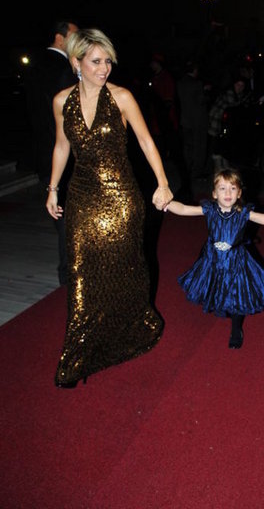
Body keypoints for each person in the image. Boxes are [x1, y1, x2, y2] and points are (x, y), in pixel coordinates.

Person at [46, 28, 173, 388]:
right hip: (82, 197)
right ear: (76, 62)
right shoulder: (61, 101)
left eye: (108, 61)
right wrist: (52, 189)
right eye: (96, 61)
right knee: (80, 272)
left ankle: (130, 332)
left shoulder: (121, 97)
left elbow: (146, 141)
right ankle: (77, 354)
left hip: (121, 198)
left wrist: (163, 183)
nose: (104, 69)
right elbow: (61, 146)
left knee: (125, 269)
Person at [165, 168, 264, 348]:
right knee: (216, 286)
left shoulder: (243, 212)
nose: (228, 193)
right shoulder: (210, 210)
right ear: (214, 193)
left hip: (237, 261)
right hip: (213, 259)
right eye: (222, 188)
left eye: (233, 188)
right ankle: (221, 304)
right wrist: (166, 203)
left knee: (237, 294)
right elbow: (183, 209)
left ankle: (236, 328)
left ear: (239, 193)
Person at [24, 19, 79, 285]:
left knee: (64, 219)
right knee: (70, 222)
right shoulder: (64, 71)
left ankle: (69, 277)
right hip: (65, 156)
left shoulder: (34, 67)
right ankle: (71, 277)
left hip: (44, 153)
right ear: (60, 38)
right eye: (75, 35)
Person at [176, 59, 210, 184]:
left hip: (185, 120)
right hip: (198, 121)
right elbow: (201, 100)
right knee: (199, 147)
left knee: (188, 147)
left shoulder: (180, 83)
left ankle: (187, 171)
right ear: (195, 70)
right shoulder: (197, 84)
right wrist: (206, 92)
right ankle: (197, 173)